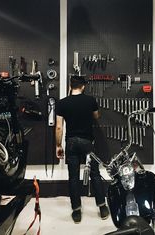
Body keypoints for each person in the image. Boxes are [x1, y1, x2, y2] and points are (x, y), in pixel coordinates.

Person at [55, 74, 109, 223]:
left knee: (73, 177)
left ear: (70, 86)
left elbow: (59, 127)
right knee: (95, 174)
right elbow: (96, 116)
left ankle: (76, 211)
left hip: (71, 142)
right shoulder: (90, 100)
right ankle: (102, 207)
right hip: (87, 142)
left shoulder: (62, 103)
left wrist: (58, 145)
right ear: (83, 86)